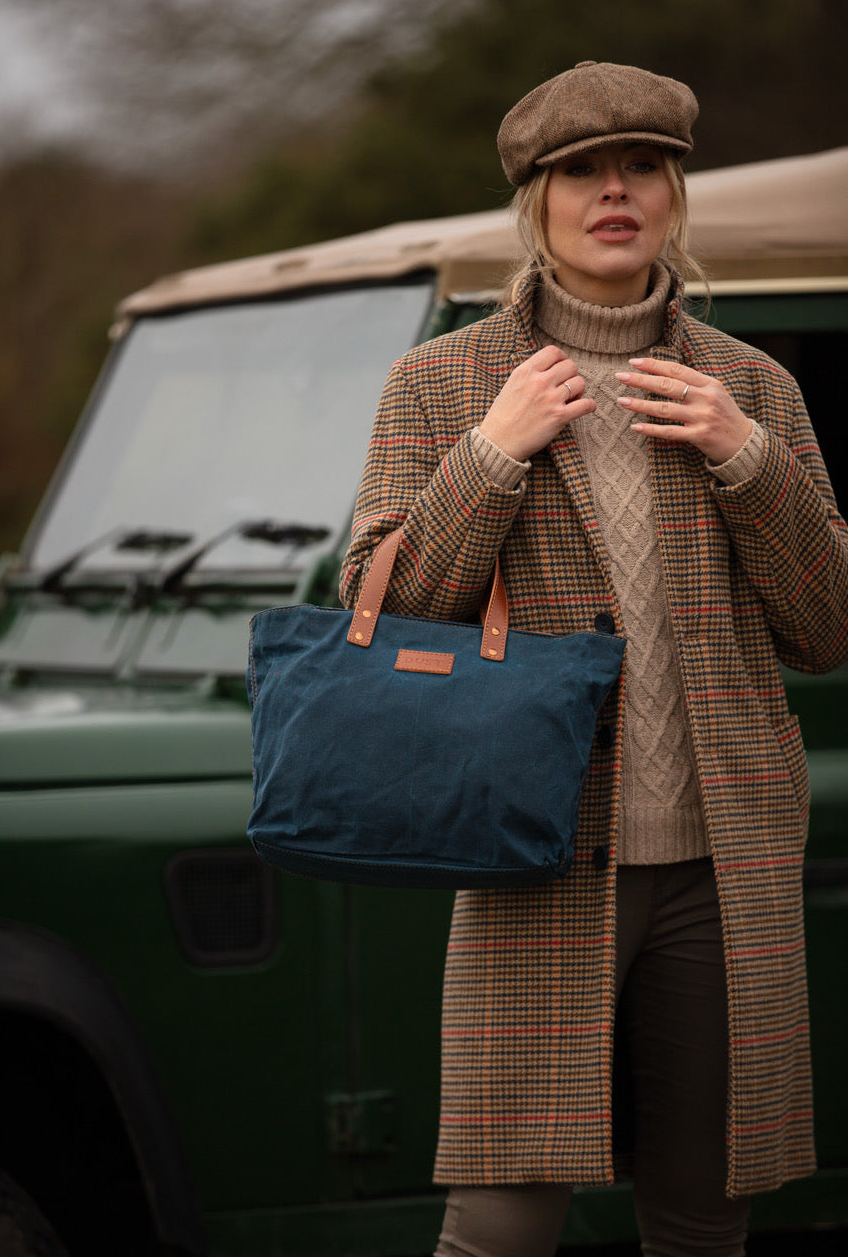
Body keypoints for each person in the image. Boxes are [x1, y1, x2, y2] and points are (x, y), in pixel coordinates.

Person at [339, 61, 848, 1257]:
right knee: (500, 1220)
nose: (612, 191)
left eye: (642, 167)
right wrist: (491, 451)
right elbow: (393, 611)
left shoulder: (752, 384)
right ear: (538, 201)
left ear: (672, 196)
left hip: (727, 866)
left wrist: (749, 458)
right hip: (534, 853)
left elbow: (826, 632)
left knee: (703, 1220)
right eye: (581, 171)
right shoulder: (441, 381)